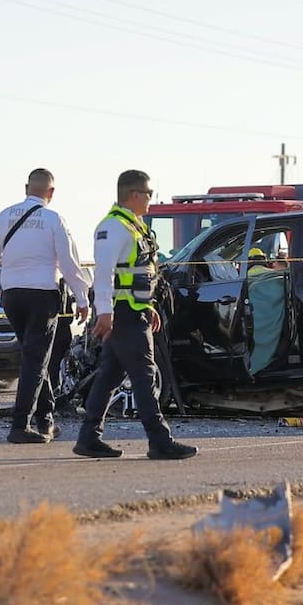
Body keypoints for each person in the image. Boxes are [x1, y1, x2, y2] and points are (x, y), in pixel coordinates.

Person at [74, 170, 198, 460]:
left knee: (109, 376)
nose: (151, 200)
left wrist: (148, 305)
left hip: (134, 311)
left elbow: (139, 275)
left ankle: (88, 438)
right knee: (144, 376)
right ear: (134, 194)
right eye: (149, 194)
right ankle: (160, 441)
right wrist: (104, 313)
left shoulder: (134, 226)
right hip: (123, 315)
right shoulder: (113, 227)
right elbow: (103, 274)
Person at [0, 168, 90, 444]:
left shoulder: (6, 214)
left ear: (26, 187)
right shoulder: (55, 220)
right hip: (41, 294)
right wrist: (82, 298)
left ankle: (46, 419)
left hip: (12, 294)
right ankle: (20, 425)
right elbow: (68, 263)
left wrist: (13, 263)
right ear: (51, 192)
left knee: (34, 358)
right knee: (36, 360)